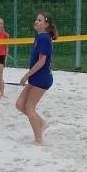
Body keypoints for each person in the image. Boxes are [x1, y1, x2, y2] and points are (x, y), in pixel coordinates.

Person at [16, 12, 56, 145]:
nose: (36, 22)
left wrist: (26, 75)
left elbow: (41, 62)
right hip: (36, 77)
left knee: (29, 107)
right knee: (20, 104)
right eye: (36, 19)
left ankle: (39, 139)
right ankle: (42, 123)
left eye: (40, 20)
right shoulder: (39, 36)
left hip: (42, 78)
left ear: (46, 24)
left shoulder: (44, 38)